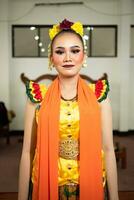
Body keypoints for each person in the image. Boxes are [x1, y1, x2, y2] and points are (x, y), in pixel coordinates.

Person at [18, 19, 119, 200]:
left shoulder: (99, 96)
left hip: (90, 182)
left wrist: (115, 198)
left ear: (84, 57)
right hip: (48, 183)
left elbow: (108, 149)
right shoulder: (37, 97)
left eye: (75, 51)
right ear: (51, 58)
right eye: (59, 52)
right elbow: (27, 152)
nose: (67, 58)